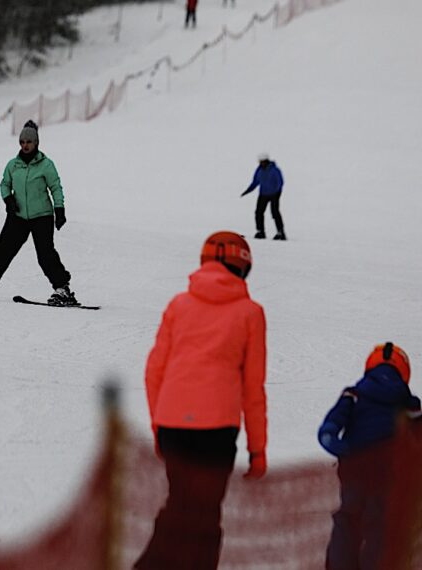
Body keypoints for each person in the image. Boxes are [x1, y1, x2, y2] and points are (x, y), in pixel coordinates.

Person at [135, 231, 267, 570]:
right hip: (217, 429)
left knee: (179, 503)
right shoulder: (250, 313)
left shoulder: (179, 304)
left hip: (172, 425)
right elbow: (253, 387)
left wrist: (159, 426)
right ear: (242, 266)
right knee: (205, 514)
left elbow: (154, 372)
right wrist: (257, 448)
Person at [318, 342, 422, 570]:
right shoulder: (407, 403)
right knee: (380, 525)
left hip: (354, 467)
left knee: (348, 519)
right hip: (388, 472)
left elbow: (331, 425)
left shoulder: (354, 395)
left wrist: (336, 442)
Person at [0, 121, 76, 306]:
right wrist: (8, 200)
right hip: (18, 216)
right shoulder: (13, 165)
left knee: (45, 254)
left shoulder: (46, 165)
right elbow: (4, 184)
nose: (25, 145)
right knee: (2, 250)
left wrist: (60, 209)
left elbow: (56, 187)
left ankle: (63, 289)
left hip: (42, 216)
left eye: (29, 142)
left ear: (36, 143)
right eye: (22, 141)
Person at [240, 153, 286, 240]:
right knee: (258, 212)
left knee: (275, 213)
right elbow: (255, 182)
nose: (261, 163)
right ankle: (260, 231)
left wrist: (276, 192)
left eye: (263, 162)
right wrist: (247, 191)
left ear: (267, 161)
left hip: (274, 194)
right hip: (263, 194)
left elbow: (280, 182)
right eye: (260, 162)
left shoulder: (275, 170)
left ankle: (280, 232)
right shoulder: (259, 170)